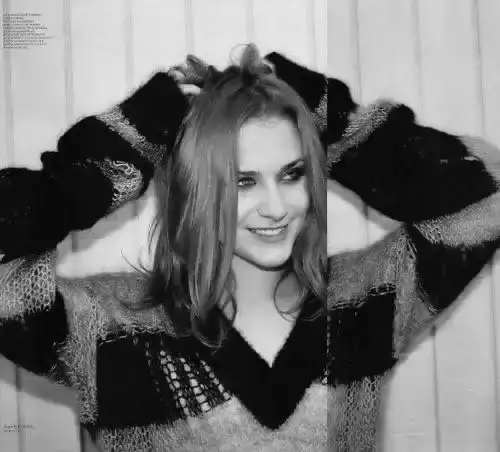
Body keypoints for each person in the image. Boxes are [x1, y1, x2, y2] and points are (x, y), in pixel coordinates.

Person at [0, 43, 499, 451]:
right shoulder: (108, 327)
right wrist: (130, 138)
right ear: (194, 193)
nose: (277, 207)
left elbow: (489, 193)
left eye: (293, 174)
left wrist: (323, 111)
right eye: (243, 182)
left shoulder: (367, 301)